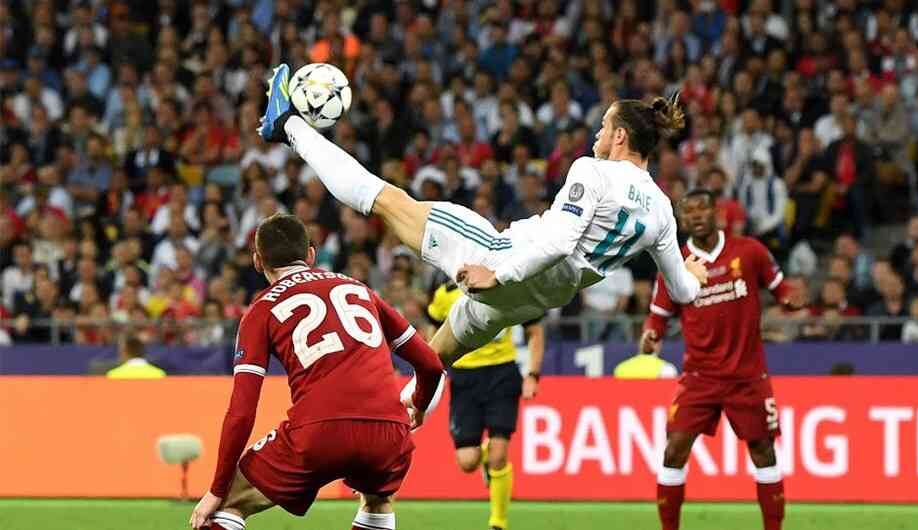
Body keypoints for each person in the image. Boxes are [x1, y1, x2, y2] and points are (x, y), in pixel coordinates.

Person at [257, 63, 708, 369]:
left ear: (621, 136)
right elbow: (683, 291)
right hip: (530, 303)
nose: (598, 133)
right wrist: (694, 274)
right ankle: (402, 419)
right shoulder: (661, 209)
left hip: (502, 261)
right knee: (431, 364)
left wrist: (498, 274)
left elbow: (559, 243)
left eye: (605, 126)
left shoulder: (593, 171)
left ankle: (287, 124)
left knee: (387, 201)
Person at [188, 214, 444, 530]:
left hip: (318, 431)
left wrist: (216, 489)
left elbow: (242, 412)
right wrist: (419, 404)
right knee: (378, 501)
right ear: (310, 254)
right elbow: (431, 364)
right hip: (388, 431)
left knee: (229, 503)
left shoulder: (261, 310)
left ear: (257, 261)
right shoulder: (359, 289)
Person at [639, 189, 805, 530]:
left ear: (718, 214)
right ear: (682, 220)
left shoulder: (749, 251)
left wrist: (791, 299)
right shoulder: (675, 263)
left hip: (748, 376)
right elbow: (658, 316)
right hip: (699, 377)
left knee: (763, 451)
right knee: (674, 450)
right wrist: (651, 334)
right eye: (688, 212)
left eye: (702, 209)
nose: (696, 216)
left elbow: (780, 288)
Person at [426, 281, 545, 530]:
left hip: (502, 373)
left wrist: (532, 374)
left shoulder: (508, 286)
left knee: (499, 455)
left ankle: (498, 522)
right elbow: (433, 334)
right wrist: (433, 372)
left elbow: (535, 331)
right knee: (467, 461)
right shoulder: (445, 294)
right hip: (464, 378)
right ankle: (486, 458)